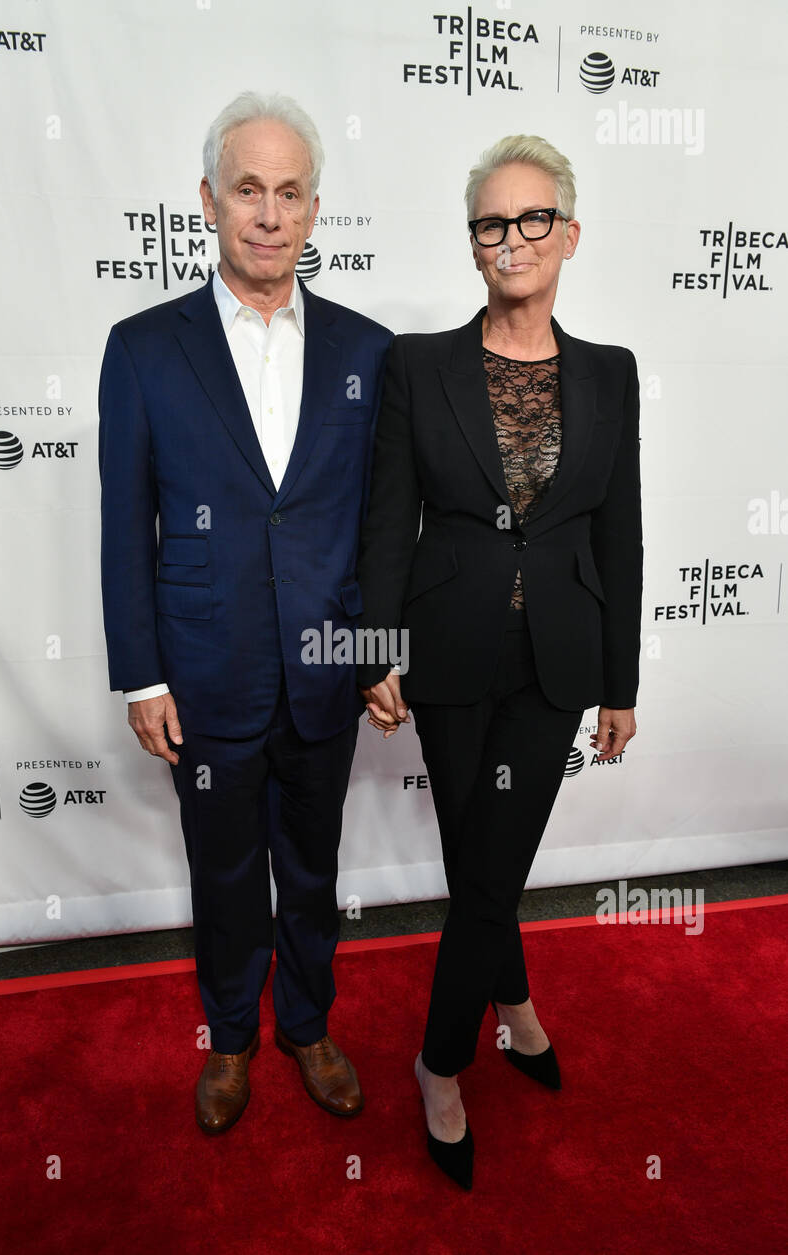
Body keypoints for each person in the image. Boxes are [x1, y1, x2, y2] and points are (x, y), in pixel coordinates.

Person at [98, 92, 392, 1136]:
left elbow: (378, 526)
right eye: (246, 191)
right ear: (207, 204)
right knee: (223, 874)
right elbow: (124, 521)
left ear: (315, 210)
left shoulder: (369, 350)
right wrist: (140, 672)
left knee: (312, 870)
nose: (267, 214)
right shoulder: (142, 347)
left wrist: (373, 652)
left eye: (289, 193)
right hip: (202, 670)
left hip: (324, 669)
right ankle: (230, 1041)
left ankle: (307, 1026)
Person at [356, 135, 643, 1189]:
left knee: (489, 866)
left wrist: (622, 680)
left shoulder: (609, 374)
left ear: (566, 233)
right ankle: (508, 1009)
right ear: (470, 241)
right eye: (489, 222)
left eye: (530, 220)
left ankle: (439, 1059)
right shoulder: (418, 362)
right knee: (478, 862)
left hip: (557, 658)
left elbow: (621, 531)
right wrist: (375, 647)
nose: (509, 239)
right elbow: (387, 518)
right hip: (445, 650)